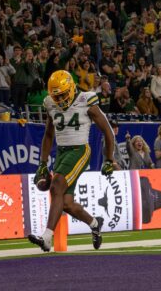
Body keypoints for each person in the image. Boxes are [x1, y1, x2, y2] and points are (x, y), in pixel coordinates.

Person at [28, 70, 117, 252]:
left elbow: (108, 130)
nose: (59, 99)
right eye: (56, 95)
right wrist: (42, 163)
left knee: (56, 186)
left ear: (70, 88)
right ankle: (94, 224)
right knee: (66, 202)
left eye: (62, 94)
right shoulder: (50, 103)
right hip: (62, 152)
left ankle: (46, 237)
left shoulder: (86, 100)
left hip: (80, 150)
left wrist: (109, 159)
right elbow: (48, 134)